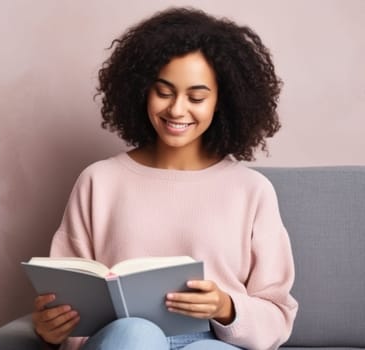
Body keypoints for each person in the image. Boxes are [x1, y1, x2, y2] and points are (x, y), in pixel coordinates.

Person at [31, 7, 298, 350]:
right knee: (136, 335)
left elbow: (277, 314)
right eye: (164, 91)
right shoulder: (99, 181)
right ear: (143, 90)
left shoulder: (252, 191)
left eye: (197, 97)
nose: (177, 110)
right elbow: (67, 297)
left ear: (222, 101)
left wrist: (226, 307)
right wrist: (53, 328)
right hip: (123, 339)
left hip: (214, 340)